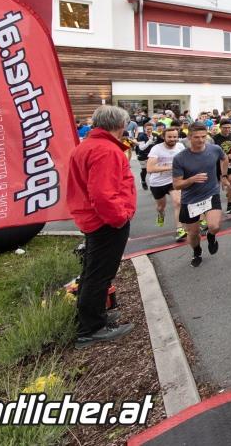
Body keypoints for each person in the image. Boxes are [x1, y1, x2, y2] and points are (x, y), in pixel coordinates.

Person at [67, 105, 136, 348]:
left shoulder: (88, 145)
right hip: (105, 221)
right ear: (121, 125)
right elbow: (102, 194)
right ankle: (91, 327)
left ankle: (93, 316)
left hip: (93, 218)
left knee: (93, 271)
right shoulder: (106, 150)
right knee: (99, 274)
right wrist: (120, 218)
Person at [172, 123, 228, 267]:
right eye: (197, 137)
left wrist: (224, 175)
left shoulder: (215, 149)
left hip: (211, 193)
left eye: (204, 136)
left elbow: (224, 158)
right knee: (193, 234)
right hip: (190, 200)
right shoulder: (180, 158)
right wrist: (191, 180)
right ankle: (197, 251)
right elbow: (176, 185)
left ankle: (211, 235)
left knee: (214, 226)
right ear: (189, 137)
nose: (201, 140)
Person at [147, 128, 186, 241]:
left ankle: (180, 229)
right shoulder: (156, 149)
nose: (172, 139)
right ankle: (161, 214)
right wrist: (172, 167)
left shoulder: (180, 147)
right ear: (163, 137)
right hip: (157, 183)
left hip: (173, 180)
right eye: (169, 137)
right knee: (160, 207)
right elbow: (150, 168)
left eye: (175, 137)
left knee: (178, 202)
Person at [213, 121, 231, 214]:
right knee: (215, 188)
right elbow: (212, 152)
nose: (227, 129)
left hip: (229, 164)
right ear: (220, 128)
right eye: (225, 127)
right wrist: (225, 156)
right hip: (216, 164)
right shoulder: (215, 138)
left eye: (229, 127)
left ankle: (230, 205)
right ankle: (214, 208)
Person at [134, 122, 157, 191]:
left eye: (151, 129)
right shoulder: (141, 136)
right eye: (148, 129)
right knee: (145, 170)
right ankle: (143, 181)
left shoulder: (154, 135)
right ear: (144, 129)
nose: (149, 130)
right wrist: (149, 141)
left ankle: (154, 185)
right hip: (143, 155)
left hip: (152, 155)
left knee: (152, 170)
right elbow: (142, 148)